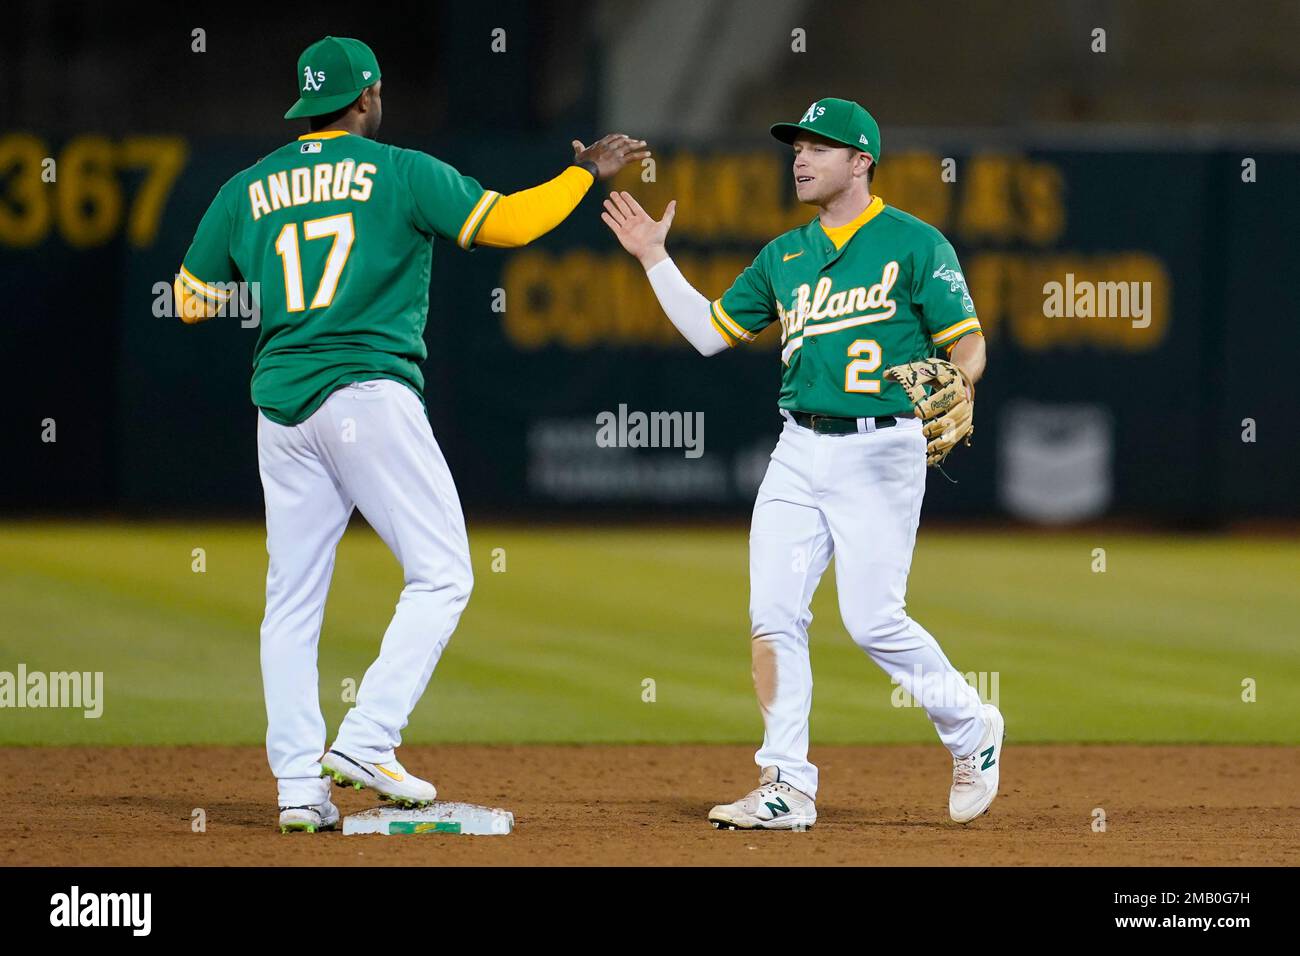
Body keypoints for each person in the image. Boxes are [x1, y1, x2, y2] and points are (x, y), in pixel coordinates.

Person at [175, 36, 648, 833]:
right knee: (441, 574)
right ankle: (367, 739)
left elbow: (190, 300)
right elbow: (505, 224)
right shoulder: (398, 171)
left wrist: (281, 296)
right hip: (366, 394)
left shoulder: (246, 187)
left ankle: (299, 788)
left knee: (290, 601)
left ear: (305, 104)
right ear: (367, 98)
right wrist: (583, 173)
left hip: (280, 410)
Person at [601, 97, 1003, 829]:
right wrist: (654, 259)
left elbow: (967, 341)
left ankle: (972, 726)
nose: (801, 157)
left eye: (819, 147)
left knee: (873, 620)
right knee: (772, 616)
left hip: (883, 449)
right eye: (796, 148)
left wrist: (962, 377)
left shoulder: (915, 245)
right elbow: (709, 333)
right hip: (797, 449)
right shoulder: (782, 257)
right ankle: (787, 783)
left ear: (861, 162)